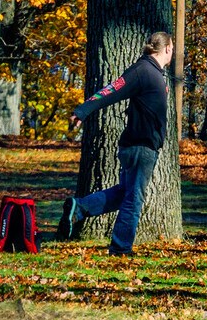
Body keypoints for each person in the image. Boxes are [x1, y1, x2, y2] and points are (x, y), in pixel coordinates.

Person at [58, 31, 173, 255]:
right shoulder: (142, 71)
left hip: (142, 146)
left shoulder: (154, 73)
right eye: (174, 48)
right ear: (167, 48)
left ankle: (79, 208)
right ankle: (121, 249)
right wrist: (82, 111)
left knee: (124, 194)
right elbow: (111, 90)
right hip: (140, 147)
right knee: (133, 199)